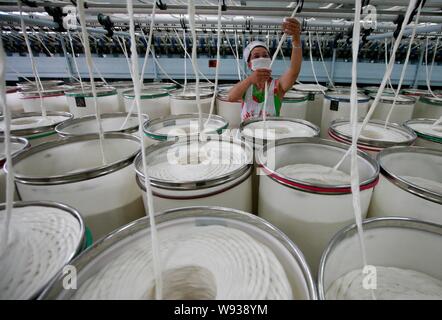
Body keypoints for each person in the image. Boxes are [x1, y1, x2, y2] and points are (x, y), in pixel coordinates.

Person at [227, 18, 302, 122]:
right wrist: (250, 80)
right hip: (247, 136)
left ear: (270, 60)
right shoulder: (246, 86)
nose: (261, 58)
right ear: (249, 64)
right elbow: (231, 97)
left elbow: (294, 71)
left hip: (270, 136)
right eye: (256, 56)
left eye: (265, 55)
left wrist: (296, 39)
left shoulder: (277, 86)